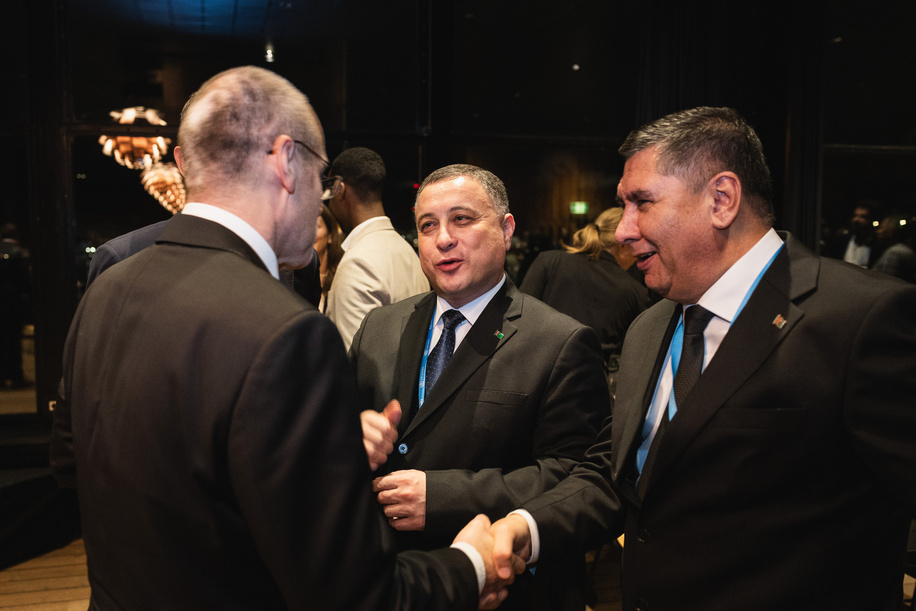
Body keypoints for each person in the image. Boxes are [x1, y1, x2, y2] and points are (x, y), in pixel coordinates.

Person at [49, 66, 517, 610]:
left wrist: (318, 452)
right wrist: (471, 565)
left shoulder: (110, 287)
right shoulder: (287, 330)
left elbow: (73, 463)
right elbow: (354, 597)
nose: (322, 197)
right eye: (321, 176)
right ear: (286, 161)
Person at [488, 106, 916, 611]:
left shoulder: (860, 318)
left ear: (722, 200)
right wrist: (525, 528)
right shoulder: (649, 327)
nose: (623, 231)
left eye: (641, 203)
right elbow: (621, 474)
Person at [350, 164, 610, 611]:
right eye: (427, 226)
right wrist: (350, 434)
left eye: (462, 219)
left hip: (499, 588)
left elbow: (572, 475)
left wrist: (444, 497)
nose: (443, 239)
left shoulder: (559, 341)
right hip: (384, 583)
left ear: (507, 229)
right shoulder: (381, 326)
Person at [519, 207, 650, 384]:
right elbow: (637, 356)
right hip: (588, 389)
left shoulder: (550, 261)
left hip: (530, 376)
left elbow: (515, 322)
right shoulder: (635, 291)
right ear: (622, 243)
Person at [325, 147, 429, 350]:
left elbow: (355, 363)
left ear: (341, 190)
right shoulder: (407, 251)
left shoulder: (358, 262)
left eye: (331, 190)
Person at [0, 223, 31, 388]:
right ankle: (15, 375)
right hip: (13, 303)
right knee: (13, 340)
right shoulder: (19, 254)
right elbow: (25, 282)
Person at [313, 203, 344, 312]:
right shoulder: (292, 279)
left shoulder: (341, 277)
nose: (310, 233)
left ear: (330, 236)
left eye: (316, 226)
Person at [871, 213, 916, 283]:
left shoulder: (894, 253)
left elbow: (884, 282)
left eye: (881, 227)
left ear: (890, 231)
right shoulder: (903, 250)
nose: (878, 231)